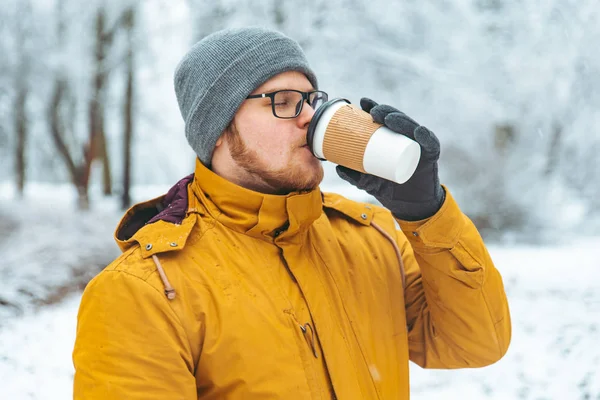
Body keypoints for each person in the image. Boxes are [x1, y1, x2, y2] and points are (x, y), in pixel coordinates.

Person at [73, 26, 511, 399]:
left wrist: (428, 214)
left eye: (310, 99)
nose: (309, 119)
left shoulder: (372, 238)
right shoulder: (146, 291)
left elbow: (475, 344)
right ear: (220, 129)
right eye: (283, 101)